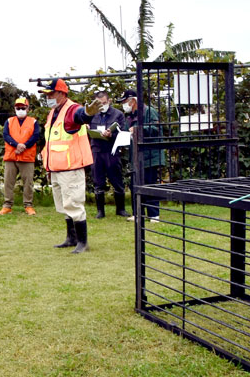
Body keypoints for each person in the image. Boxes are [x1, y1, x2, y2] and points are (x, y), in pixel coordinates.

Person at [40, 79, 99, 253]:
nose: (48, 97)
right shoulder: (54, 112)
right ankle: (71, 238)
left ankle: (83, 242)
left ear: (62, 94)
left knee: (74, 204)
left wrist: (88, 114)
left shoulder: (71, 109)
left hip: (71, 167)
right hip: (57, 168)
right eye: (47, 95)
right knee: (64, 205)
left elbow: (81, 116)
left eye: (51, 94)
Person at [119, 89, 164, 223]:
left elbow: (156, 129)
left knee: (150, 185)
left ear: (133, 100)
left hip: (151, 155)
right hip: (136, 157)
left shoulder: (149, 111)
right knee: (135, 185)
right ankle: (138, 213)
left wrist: (139, 129)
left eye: (125, 101)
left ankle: (154, 214)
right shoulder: (129, 116)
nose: (124, 104)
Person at [88, 91, 129, 219]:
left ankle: (120, 209)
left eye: (104, 103)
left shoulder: (118, 114)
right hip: (97, 150)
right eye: (100, 104)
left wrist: (112, 134)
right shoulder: (92, 115)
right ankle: (100, 211)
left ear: (109, 101)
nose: (103, 105)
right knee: (98, 180)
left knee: (116, 179)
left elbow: (123, 132)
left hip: (112, 151)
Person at [0, 97, 39, 216]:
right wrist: (17, 145)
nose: (20, 109)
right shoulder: (9, 121)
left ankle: (28, 205)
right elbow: (6, 135)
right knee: (8, 182)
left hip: (27, 157)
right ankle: (7, 206)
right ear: (14, 108)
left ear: (28, 108)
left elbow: (35, 136)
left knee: (28, 183)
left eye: (23, 107)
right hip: (11, 156)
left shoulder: (33, 121)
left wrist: (24, 146)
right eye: (18, 108)